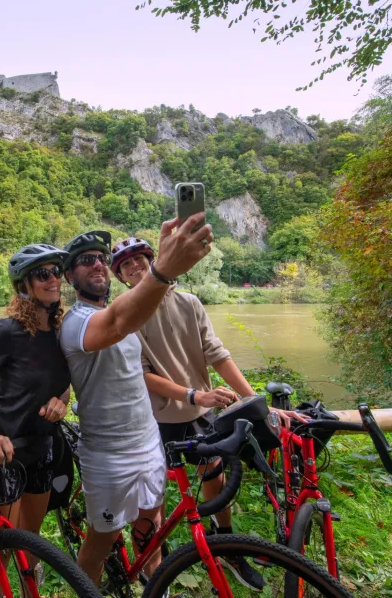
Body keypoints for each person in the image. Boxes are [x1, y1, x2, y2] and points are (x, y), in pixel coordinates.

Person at [110, 237, 302, 590]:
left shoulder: (190, 303)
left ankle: (225, 549)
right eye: (126, 265)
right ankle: (155, 571)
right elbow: (142, 373)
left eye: (140, 259)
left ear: (154, 261)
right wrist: (194, 393)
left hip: (200, 413)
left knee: (214, 480)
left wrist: (254, 401)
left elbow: (217, 354)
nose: (135, 266)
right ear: (120, 276)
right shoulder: (125, 312)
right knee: (151, 499)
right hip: (156, 419)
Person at [59, 214, 213, 586]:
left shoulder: (120, 312)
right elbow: (116, 323)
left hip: (148, 443)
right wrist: (162, 269)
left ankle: (152, 586)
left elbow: (134, 313)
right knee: (101, 541)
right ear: (69, 277)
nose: (96, 263)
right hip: (108, 455)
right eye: (84, 260)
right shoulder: (77, 321)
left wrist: (159, 272)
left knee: (151, 528)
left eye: (99, 257)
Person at [0, 244, 72, 593]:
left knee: (31, 539)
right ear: (24, 285)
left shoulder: (63, 330)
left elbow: (63, 384)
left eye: (56, 271)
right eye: (43, 273)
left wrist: (62, 402)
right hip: (6, 449)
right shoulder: (7, 331)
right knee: (3, 547)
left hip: (43, 445)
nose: (53, 279)